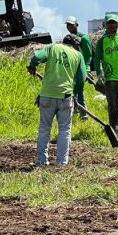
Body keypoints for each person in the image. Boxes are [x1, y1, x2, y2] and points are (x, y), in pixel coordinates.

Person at [28, 34, 86, 167]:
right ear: (75, 45)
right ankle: (62, 163)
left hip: (47, 95)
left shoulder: (53, 48)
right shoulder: (78, 55)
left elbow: (37, 57)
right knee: (65, 130)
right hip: (65, 96)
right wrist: (75, 94)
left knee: (44, 128)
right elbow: (81, 79)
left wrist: (33, 66)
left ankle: (42, 162)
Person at [64, 16, 93, 120]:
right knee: (72, 90)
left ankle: (84, 114)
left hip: (81, 68)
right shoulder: (69, 38)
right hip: (72, 68)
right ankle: (75, 111)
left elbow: (88, 56)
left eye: (71, 25)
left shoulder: (84, 38)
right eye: (68, 25)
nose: (69, 27)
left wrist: (86, 70)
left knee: (79, 91)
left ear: (76, 25)